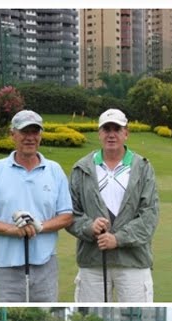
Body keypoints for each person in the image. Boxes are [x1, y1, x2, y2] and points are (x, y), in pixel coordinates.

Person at [0, 110, 73, 302]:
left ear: (40, 136)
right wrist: (11, 229)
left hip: (45, 264)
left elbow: (66, 215)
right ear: (13, 135)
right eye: (24, 132)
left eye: (35, 132)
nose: (30, 138)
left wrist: (40, 226)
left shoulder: (54, 170)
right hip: (5, 266)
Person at [66, 108, 159, 302]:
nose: (111, 134)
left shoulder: (142, 168)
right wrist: (89, 227)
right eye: (106, 129)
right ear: (99, 133)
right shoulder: (81, 168)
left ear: (126, 133)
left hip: (133, 261)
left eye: (117, 129)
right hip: (93, 261)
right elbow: (70, 214)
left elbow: (149, 216)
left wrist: (117, 239)